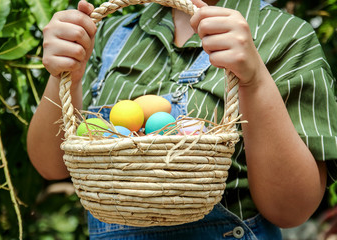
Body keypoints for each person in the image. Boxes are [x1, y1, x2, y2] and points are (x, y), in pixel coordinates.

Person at [27, 0, 337, 238]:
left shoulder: (284, 37)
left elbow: (291, 209)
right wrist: (66, 76)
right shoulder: (110, 35)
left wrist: (254, 82)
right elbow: (51, 165)